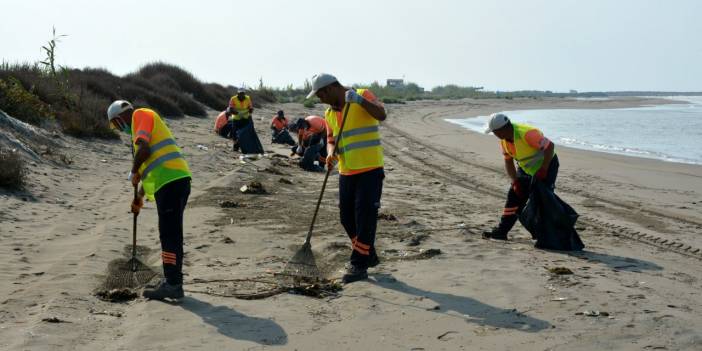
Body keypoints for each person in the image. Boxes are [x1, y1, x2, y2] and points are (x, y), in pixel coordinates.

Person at [106, 100, 192, 300]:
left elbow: (145, 151)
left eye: (115, 124)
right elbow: (151, 169)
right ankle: (174, 281)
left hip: (170, 183)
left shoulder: (140, 116)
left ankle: (172, 285)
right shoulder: (139, 130)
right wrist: (139, 198)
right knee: (173, 234)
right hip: (174, 181)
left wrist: (133, 171)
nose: (118, 129)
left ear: (120, 117)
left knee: (169, 235)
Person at [306, 73, 386, 283]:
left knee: (365, 216)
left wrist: (360, 101)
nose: (320, 99)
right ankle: (368, 254)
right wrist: (331, 152)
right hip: (347, 170)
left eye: (320, 95)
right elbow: (332, 139)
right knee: (346, 218)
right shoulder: (328, 113)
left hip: (370, 168)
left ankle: (358, 264)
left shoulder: (362, 94)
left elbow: (381, 114)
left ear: (330, 89)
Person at [482, 113, 559, 240]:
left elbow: (549, 146)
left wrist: (544, 168)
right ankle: (502, 231)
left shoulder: (527, 134)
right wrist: (515, 181)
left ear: (502, 129)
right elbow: (508, 161)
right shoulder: (504, 141)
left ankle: (545, 233)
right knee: (514, 196)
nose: (494, 135)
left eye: (494, 132)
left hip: (547, 165)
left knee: (541, 199)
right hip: (525, 169)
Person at [227, 89, 264, 154]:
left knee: (244, 133)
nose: (242, 95)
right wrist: (237, 113)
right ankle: (235, 147)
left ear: (244, 94)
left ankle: (245, 147)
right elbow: (230, 109)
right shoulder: (233, 99)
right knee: (234, 134)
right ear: (237, 94)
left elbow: (251, 108)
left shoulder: (247, 98)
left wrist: (249, 111)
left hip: (245, 118)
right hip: (236, 118)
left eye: (243, 93)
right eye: (240, 93)